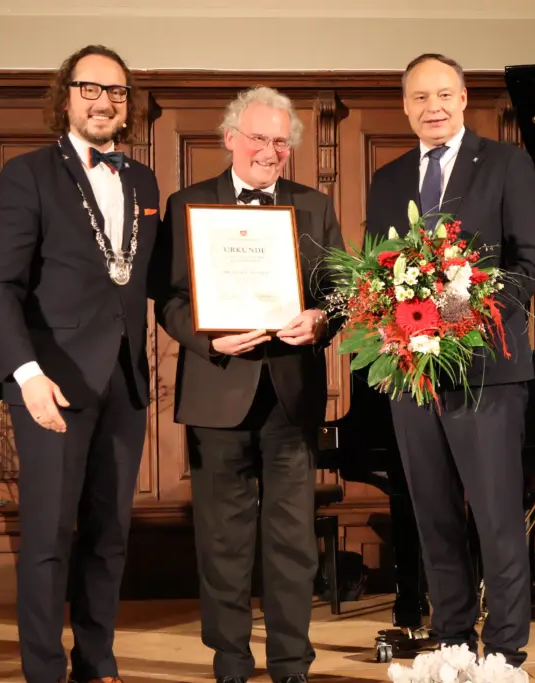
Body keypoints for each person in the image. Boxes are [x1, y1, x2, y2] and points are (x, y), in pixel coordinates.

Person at [0, 44, 162, 683]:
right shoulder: (26, 174)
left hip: (126, 382)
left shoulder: (142, 180)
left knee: (108, 537)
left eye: (116, 91)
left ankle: (97, 664)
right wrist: (25, 376)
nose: (104, 101)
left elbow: (153, 283)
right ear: (65, 97)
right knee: (51, 538)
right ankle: (43, 672)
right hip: (50, 383)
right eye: (90, 88)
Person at [363, 53, 535, 667]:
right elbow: (377, 278)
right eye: (419, 98)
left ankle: (504, 653)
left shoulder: (506, 163)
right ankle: (450, 644)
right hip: (412, 376)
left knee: (497, 520)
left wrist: (464, 313)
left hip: (487, 372)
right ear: (406, 106)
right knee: (433, 517)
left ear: (465, 98)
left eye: (443, 94)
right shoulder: (387, 179)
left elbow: (530, 263)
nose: (433, 107)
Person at [151, 85, 344, 683]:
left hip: (291, 397)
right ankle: (230, 661)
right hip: (217, 391)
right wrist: (210, 339)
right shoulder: (187, 203)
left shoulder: (313, 206)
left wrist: (320, 320)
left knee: (292, 543)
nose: (270, 150)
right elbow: (170, 299)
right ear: (231, 137)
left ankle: (292, 664)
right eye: (259, 138)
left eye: (281, 142)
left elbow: (339, 293)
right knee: (223, 541)